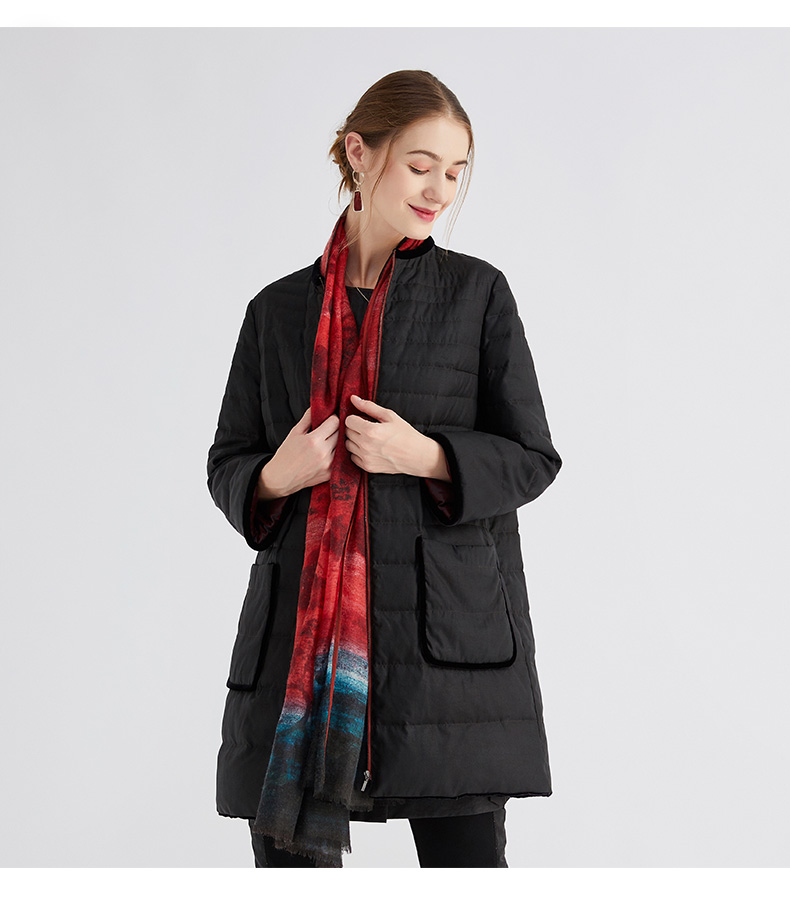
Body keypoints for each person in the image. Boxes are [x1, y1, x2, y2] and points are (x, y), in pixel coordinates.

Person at [206, 69, 563, 869]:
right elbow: (228, 462)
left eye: (456, 171)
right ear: (359, 153)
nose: (440, 190)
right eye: (420, 164)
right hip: (297, 668)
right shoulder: (275, 312)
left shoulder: (477, 295)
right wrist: (277, 475)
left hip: (448, 666)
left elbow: (534, 457)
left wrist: (424, 455)